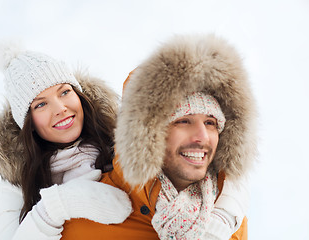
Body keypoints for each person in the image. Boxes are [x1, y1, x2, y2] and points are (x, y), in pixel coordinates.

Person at [60, 34, 257, 239]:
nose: (202, 136)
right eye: (183, 121)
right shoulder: (87, 218)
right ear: (146, 134)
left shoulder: (229, 219)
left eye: (211, 123)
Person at [0, 40, 132, 240]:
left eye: (64, 92)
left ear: (79, 95)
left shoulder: (121, 141)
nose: (60, 108)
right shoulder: (18, 179)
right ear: (29, 123)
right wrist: (57, 205)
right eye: (41, 104)